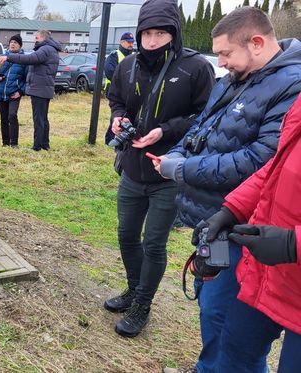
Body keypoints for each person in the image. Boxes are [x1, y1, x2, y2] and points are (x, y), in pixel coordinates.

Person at [154, 7, 301, 372]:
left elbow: (257, 159)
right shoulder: (235, 78)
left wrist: (186, 169)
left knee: (223, 314)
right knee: (215, 313)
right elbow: (204, 127)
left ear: (256, 43)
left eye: (224, 54)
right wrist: (177, 152)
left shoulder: (291, 85)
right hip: (225, 219)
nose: (220, 63)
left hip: (253, 236)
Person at [104, 0, 215, 338]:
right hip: (132, 167)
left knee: (153, 242)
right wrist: (117, 116)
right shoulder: (129, 65)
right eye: (147, 34)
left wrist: (165, 131)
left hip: (169, 171)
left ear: (174, 33)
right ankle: (134, 289)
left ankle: (143, 305)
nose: (152, 41)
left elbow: (206, 116)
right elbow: (117, 98)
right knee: (126, 235)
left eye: (160, 33)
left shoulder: (195, 67)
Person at [200, 93, 301, 373]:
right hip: (270, 271)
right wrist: (231, 209)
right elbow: (278, 167)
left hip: (286, 254)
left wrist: (294, 243)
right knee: (234, 354)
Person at [0, 29, 61, 151]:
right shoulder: (50, 49)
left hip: (40, 89)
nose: (35, 41)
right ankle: (44, 144)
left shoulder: (45, 49)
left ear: (43, 38)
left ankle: (37, 146)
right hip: (43, 88)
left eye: (36, 38)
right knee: (43, 118)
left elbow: (30, 59)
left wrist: (9, 57)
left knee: (39, 119)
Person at [0, 34, 28, 148]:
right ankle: (5, 143)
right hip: (2, 92)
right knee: (3, 118)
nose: (12, 44)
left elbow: (27, 79)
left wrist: (21, 92)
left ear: (20, 45)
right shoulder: (1, 57)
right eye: (11, 42)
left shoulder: (24, 60)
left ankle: (14, 143)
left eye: (15, 42)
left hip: (14, 93)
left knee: (12, 115)